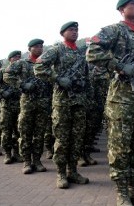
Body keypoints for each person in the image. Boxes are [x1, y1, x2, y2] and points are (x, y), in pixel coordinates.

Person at [86, 0, 134, 205]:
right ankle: (122, 194)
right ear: (121, 9)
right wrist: (119, 65)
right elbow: (93, 52)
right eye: (132, 4)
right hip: (122, 100)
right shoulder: (114, 30)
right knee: (120, 149)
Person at [35, 21, 90, 189]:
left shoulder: (81, 53)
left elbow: (87, 77)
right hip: (62, 102)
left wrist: (88, 96)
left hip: (79, 101)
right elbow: (39, 67)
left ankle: (72, 171)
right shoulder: (56, 50)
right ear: (63, 33)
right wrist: (57, 78)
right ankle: (61, 173)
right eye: (71, 30)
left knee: (77, 138)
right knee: (62, 139)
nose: (75, 32)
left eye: (76, 30)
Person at [4, 39, 50, 174]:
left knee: (39, 133)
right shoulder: (22, 63)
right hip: (28, 103)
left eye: (41, 46)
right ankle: (27, 162)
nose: (39, 48)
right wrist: (21, 85)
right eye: (36, 46)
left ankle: (37, 160)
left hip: (43, 102)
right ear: (29, 49)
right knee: (25, 133)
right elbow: (7, 75)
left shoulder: (46, 63)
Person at [0, 50, 23, 164]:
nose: (18, 59)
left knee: (18, 131)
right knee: (6, 131)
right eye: (15, 57)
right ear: (10, 59)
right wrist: (2, 92)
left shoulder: (23, 71)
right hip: (7, 107)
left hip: (20, 105)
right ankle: (7, 154)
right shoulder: (3, 71)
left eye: (19, 57)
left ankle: (17, 153)